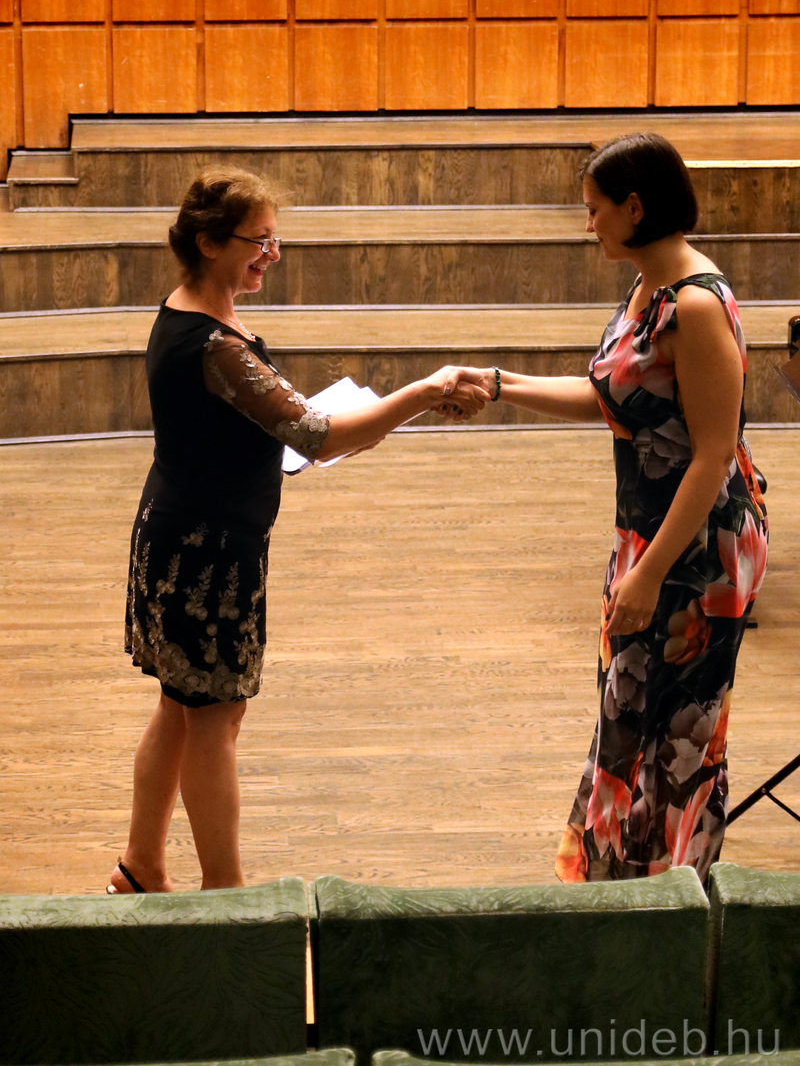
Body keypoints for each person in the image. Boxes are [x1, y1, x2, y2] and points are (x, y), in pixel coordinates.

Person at [108, 165, 488, 894]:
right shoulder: (213, 343)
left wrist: (349, 429)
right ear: (210, 243)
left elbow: (274, 425)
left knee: (182, 707)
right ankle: (225, 896)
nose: (271, 255)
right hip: (205, 555)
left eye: (274, 240)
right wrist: (422, 392)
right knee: (214, 719)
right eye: (259, 242)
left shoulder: (197, 312)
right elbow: (315, 433)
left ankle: (141, 867)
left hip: (182, 536)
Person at [449, 133, 768, 882]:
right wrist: (498, 383)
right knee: (628, 713)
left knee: (676, 733)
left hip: (699, 547)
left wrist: (649, 574)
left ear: (635, 207)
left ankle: (667, 896)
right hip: (649, 532)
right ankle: (617, 887)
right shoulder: (646, 288)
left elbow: (713, 456)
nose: (587, 224)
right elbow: (612, 397)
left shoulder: (695, 305)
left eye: (594, 210)